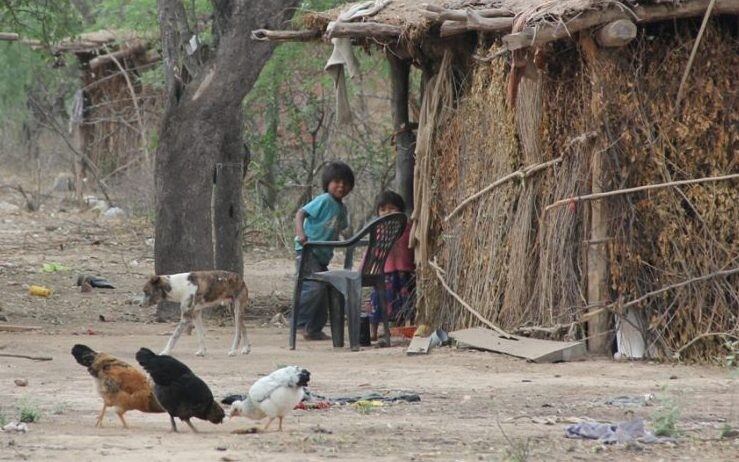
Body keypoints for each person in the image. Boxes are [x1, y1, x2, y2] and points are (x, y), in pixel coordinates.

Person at [293, 161, 354, 340]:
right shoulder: (324, 200)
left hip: (322, 257)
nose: (341, 186)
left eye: (345, 183)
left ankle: (313, 329)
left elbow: (343, 229)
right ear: (327, 183)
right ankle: (300, 323)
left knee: (325, 289)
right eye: (336, 182)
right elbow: (300, 213)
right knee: (313, 287)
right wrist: (301, 234)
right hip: (308, 251)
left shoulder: (341, 208)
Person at [368, 190, 415, 342]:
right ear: (377, 212)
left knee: (405, 304)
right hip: (384, 273)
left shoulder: (407, 228)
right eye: (383, 209)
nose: (387, 212)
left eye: (392, 208)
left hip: (404, 271)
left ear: (401, 211)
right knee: (378, 303)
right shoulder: (378, 230)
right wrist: (362, 272)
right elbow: (371, 252)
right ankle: (373, 332)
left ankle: (406, 329)